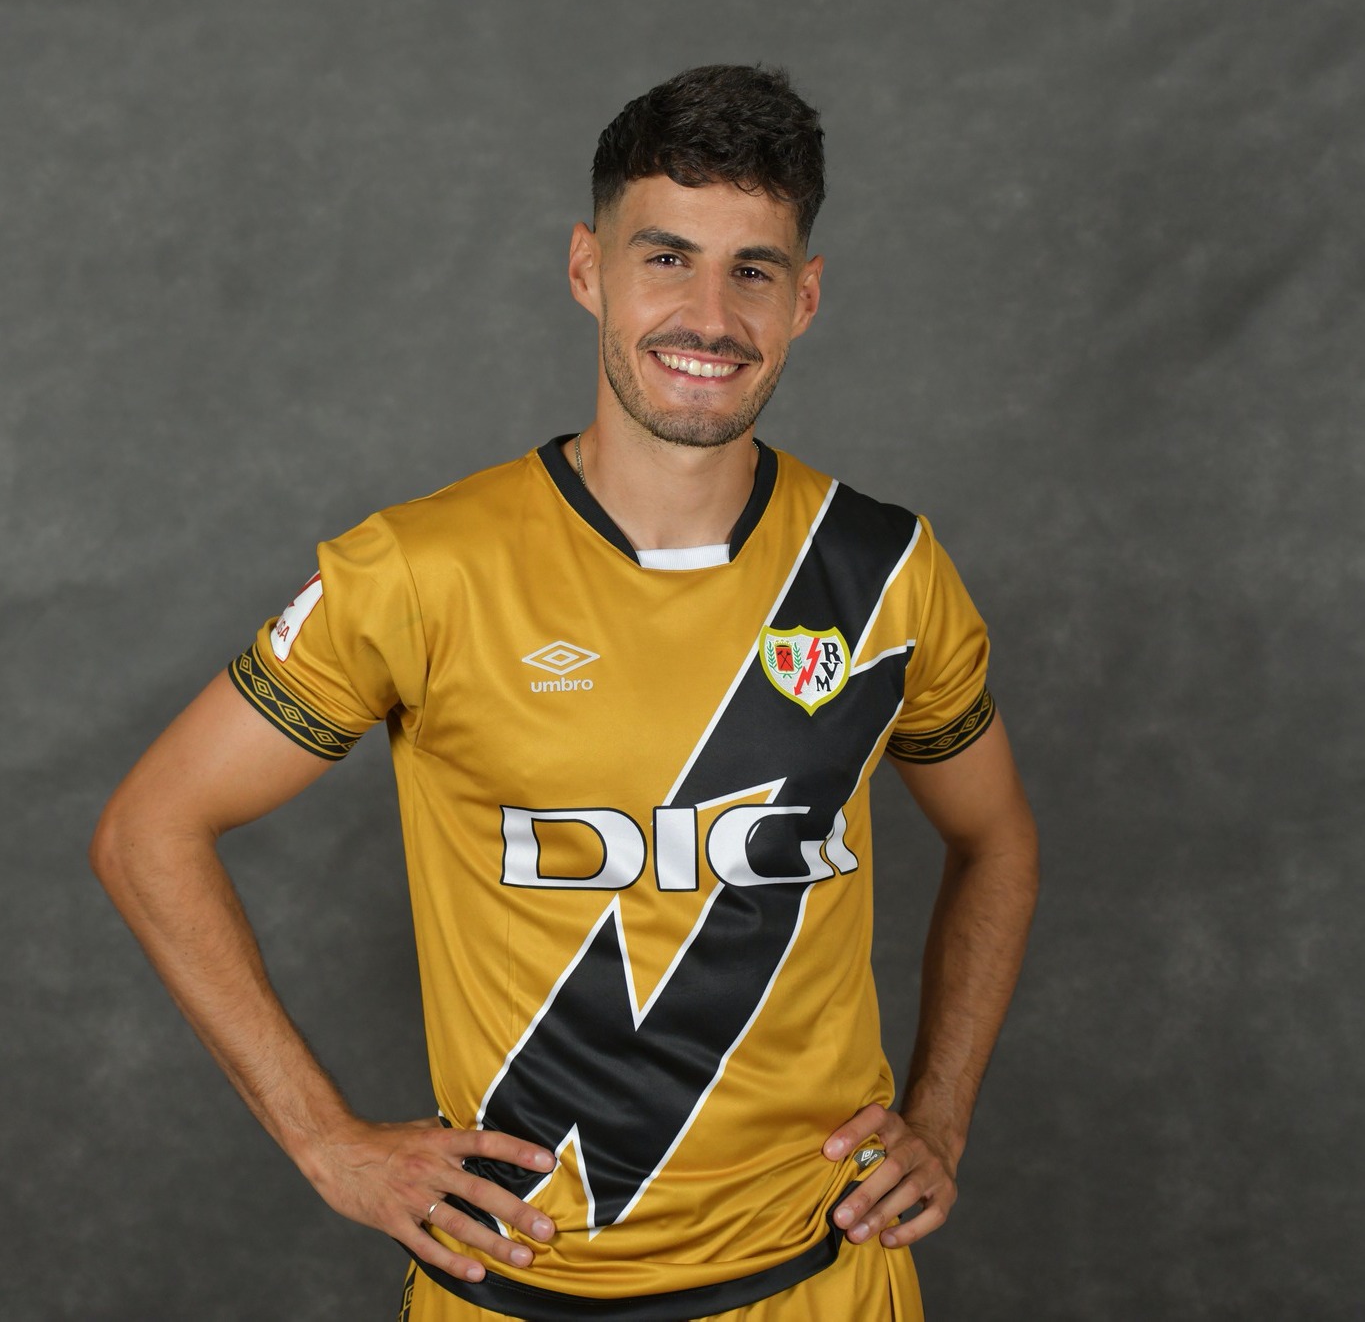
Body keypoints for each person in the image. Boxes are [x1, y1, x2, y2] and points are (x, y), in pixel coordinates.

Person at [91, 64, 1038, 1322]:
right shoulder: (421, 571)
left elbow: (995, 838)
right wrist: (325, 1141)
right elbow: (147, 831)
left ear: (805, 299)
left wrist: (943, 1115)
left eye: (753, 270)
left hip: (825, 1281)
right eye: (667, 258)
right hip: (515, 1291)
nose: (710, 315)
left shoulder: (886, 572)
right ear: (588, 269)